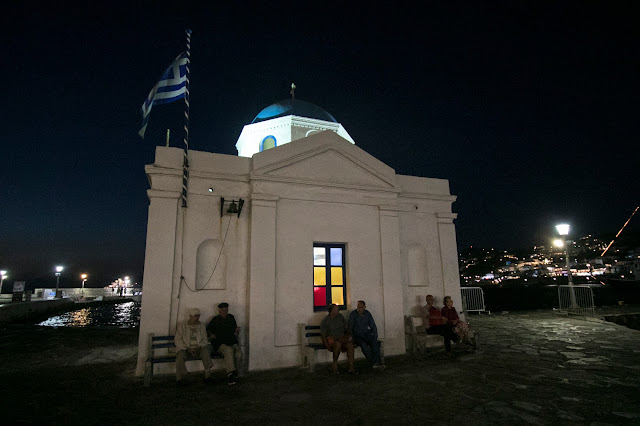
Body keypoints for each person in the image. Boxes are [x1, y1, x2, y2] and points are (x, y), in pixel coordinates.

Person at [174, 308, 213, 384]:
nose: (197, 318)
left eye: (198, 316)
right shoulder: (183, 325)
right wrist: (187, 348)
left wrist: (199, 347)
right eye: (195, 316)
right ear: (190, 316)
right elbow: (178, 339)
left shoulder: (201, 326)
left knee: (205, 351)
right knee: (180, 355)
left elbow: (205, 340)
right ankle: (180, 378)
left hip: (198, 348)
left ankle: (207, 375)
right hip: (186, 348)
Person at [207, 302, 243, 385]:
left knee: (239, 354)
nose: (225, 311)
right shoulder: (215, 319)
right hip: (220, 344)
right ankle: (230, 374)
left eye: (226, 310)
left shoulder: (231, 318)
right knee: (228, 350)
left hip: (231, 342)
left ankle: (235, 373)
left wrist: (236, 331)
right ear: (219, 311)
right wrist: (211, 334)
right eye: (223, 310)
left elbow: (235, 330)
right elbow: (208, 329)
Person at [320, 304, 357, 375]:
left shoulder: (340, 317)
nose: (338, 311)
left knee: (350, 345)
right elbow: (323, 335)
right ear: (332, 311)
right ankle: (334, 365)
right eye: (336, 309)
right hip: (333, 340)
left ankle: (351, 367)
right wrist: (327, 346)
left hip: (342, 338)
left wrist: (348, 336)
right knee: (337, 344)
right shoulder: (326, 321)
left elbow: (346, 328)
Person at [348, 300, 385, 370]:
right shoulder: (353, 314)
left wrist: (375, 336)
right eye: (358, 307)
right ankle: (373, 362)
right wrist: (351, 337)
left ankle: (377, 361)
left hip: (366, 334)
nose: (359, 309)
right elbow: (350, 327)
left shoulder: (367, 314)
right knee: (364, 345)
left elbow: (372, 325)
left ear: (364, 307)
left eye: (361, 307)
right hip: (357, 336)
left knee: (375, 343)